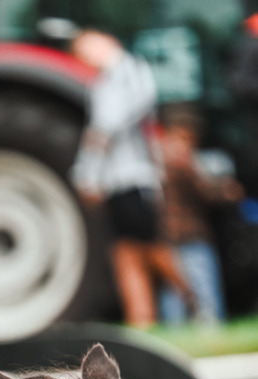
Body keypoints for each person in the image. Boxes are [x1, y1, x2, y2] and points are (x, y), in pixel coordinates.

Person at [69, 29, 195, 327]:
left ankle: (190, 298)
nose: (85, 56)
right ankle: (142, 319)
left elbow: (106, 127)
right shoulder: (107, 81)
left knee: (148, 248)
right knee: (124, 253)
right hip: (118, 181)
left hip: (133, 179)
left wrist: (87, 175)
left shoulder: (128, 72)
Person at [158, 106, 244, 324]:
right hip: (180, 240)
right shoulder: (170, 161)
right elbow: (204, 191)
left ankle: (202, 331)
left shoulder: (173, 161)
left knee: (191, 293)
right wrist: (226, 190)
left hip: (183, 238)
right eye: (183, 136)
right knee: (183, 294)